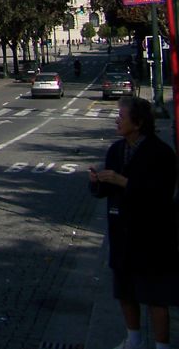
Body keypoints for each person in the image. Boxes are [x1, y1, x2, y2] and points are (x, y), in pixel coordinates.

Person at [89, 97, 178, 349]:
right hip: (122, 234)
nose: (117, 120)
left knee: (155, 297)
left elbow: (162, 194)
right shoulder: (116, 150)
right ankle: (133, 340)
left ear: (137, 123)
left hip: (153, 236)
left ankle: (162, 346)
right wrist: (97, 182)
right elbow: (106, 189)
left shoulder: (161, 153)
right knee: (125, 293)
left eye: (122, 116)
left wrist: (124, 182)